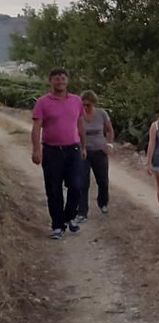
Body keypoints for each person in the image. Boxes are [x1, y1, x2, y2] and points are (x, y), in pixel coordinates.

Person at [31, 67, 86, 239]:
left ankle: (69, 216)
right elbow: (36, 127)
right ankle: (57, 226)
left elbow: (80, 124)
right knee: (54, 189)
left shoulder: (76, 100)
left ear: (67, 80)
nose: (60, 81)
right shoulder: (42, 102)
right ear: (50, 81)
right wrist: (36, 149)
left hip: (73, 149)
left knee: (76, 186)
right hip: (52, 151)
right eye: (56, 78)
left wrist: (84, 146)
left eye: (63, 78)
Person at [77, 90, 114, 222]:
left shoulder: (101, 113)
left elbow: (109, 130)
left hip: (99, 151)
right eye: (83, 105)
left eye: (88, 105)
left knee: (103, 180)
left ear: (94, 103)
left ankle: (103, 202)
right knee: (83, 182)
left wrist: (109, 144)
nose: (86, 107)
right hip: (83, 151)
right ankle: (82, 212)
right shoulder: (78, 115)